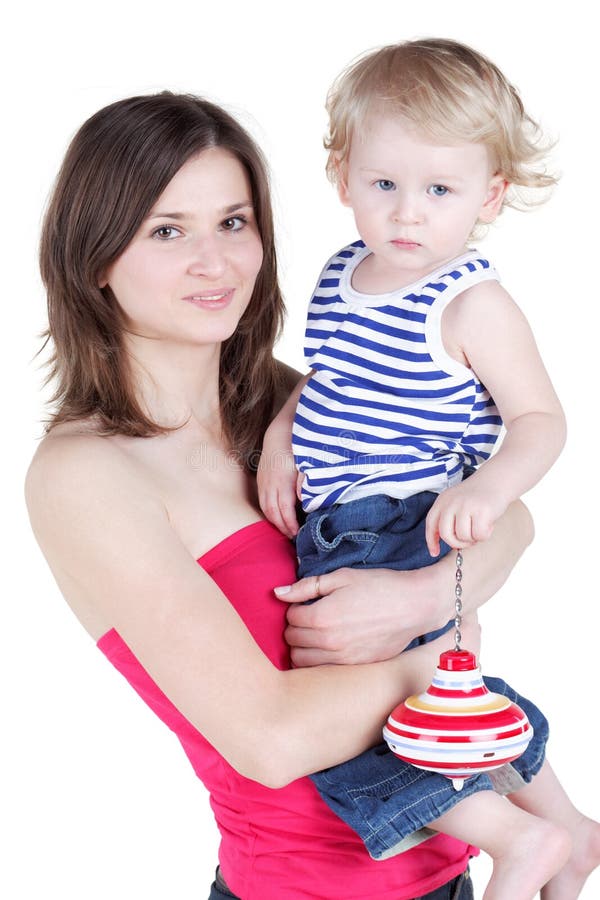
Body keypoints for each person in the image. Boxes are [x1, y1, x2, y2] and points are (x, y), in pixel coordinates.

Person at [26, 90, 539, 900]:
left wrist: (424, 594)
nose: (216, 261)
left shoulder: (291, 408)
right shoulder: (87, 473)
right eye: (168, 230)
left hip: (449, 876)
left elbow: (510, 515)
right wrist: (446, 657)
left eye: (233, 222)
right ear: (94, 256)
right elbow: (271, 738)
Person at [257, 39, 600, 899]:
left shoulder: (470, 302)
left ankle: (511, 840)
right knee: (438, 696)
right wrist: (278, 432)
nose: (408, 215)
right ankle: (565, 826)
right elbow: (330, 385)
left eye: (440, 191)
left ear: (491, 195)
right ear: (343, 176)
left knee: (345, 728)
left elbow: (541, 421)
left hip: (400, 525)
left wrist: (487, 487)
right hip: (340, 525)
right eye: (384, 185)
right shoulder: (341, 275)